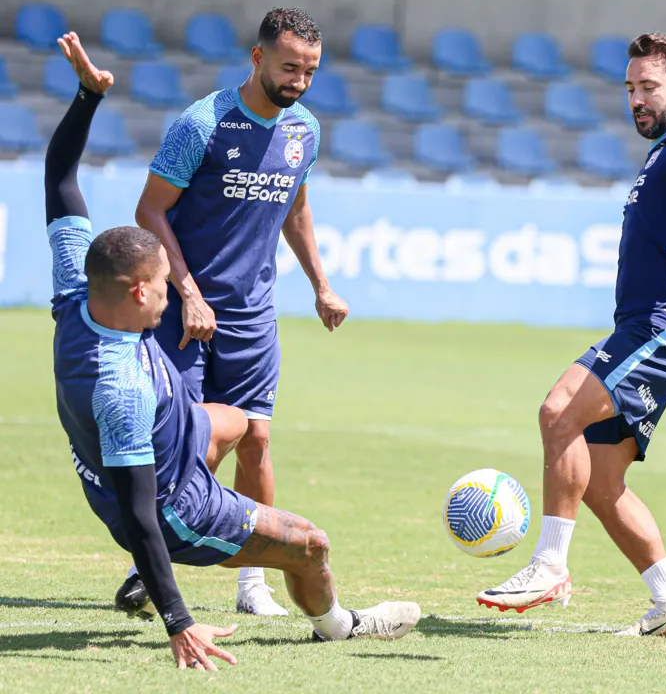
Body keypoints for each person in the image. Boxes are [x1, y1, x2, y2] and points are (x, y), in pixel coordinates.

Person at [47, 32, 420, 669]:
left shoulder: (76, 288)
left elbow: (60, 181)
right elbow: (141, 515)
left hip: (185, 412)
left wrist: (87, 96)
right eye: (163, 283)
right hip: (169, 507)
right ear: (142, 290)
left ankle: (247, 582)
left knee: (245, 424)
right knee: (311, 543)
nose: (170, 288)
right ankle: (337, 623)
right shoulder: (121, 387)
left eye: (311, 69)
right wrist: (180, 622)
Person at [476, 33, 666, 638]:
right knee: (597, 480)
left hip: (659, 330)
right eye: (630, 89)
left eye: (649, 87)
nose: (637, 100)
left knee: (557, 411)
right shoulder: (660, 157)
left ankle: (548, 566)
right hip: (651, 328)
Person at [121, 7, 348, 617]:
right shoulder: (204, 123)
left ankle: (253, 586)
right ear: (257, 58)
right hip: (183, 311)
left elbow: (295, 211)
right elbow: (150, 211)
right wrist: (189, 292)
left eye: (310, 71)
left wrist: (321, 285)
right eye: (289, 66)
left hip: (252, 315)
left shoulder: (306, 131)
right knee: (188, 443)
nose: (299, 80)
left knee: (257, 439)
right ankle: (153, 560)